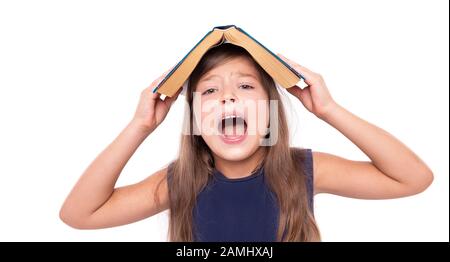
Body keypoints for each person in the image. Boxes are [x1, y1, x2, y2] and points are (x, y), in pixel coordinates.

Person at [60, 44, 433, 241]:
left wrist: (329, 109)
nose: (227, 98)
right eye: (209, 90)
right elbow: (79, 215)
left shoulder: (302, 169)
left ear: (271, 111)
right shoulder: (179, 182)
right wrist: (139, 127)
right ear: (193, 120)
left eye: (245, 85)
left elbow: (412, 178)